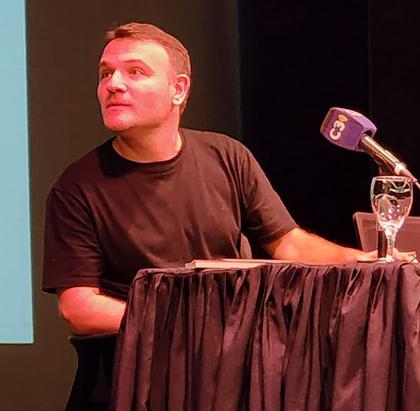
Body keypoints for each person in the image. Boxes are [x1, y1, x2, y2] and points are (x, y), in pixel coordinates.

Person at [43, 22, 389, 336]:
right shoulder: (77, 187)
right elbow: (79, 307)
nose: (113, 85)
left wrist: (364, 261)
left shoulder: (226, 155)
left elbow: (289, 244)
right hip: (148, 356)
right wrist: (180, 321)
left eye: (135, 72)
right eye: (106, 74)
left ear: (178, 90)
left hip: (233, 349)